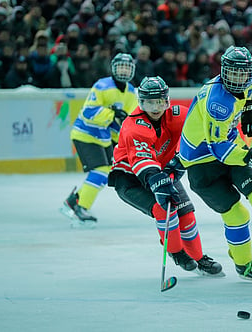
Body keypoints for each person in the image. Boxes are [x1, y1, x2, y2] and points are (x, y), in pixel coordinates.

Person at [179, 45, 252, 283]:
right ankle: (244, 265)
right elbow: (218, 149)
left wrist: (250, 108)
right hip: (202, 162)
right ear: (222, 72)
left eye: (243, 73)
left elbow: (245, 97)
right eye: (233, 73)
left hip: (230, 147)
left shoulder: (250, 81)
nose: (239, 79)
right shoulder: (216, 101)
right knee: (237, 215)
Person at [108, 76, 223, 276]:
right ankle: (177, 253)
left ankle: (198, 257)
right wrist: (159, 180)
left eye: (159, 101)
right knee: (164, 211)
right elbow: (142, 161)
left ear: (167, 100)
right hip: (130, 179)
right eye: (149, 102)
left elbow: (200, 127)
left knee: (186, 212)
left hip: (161, 172)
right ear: (141, 102)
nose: (155, 107)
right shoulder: (133, 126)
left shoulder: (177, 115)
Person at [60, 53, 138, 228]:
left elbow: (128, 120)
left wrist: (125, 138)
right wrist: (112, 113)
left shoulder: (132, 91)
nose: (124, 70)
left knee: (105, 172)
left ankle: (73, 202)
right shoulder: (102, 86)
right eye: (121, 66)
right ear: (113, 68)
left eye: (127, 67)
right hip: (85, 133)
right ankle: (81, 208)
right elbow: (88, 113)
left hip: (104, 137)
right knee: (101, 171)